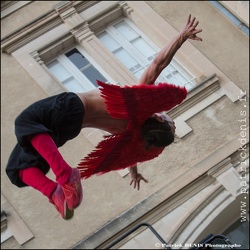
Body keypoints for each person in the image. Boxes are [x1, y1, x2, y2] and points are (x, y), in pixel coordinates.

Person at [6, 14, 202, 220]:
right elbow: (131, 156)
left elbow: (157, 64)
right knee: (17, 168)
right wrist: (133, 173)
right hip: (67, 129)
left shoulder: (137, 106)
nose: (168, 116)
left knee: (25, 121)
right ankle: (54, 192)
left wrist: (181, 37)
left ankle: (65, 175)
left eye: (171, 121)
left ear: (160, 120)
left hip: (70, 108)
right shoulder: (129, 133)